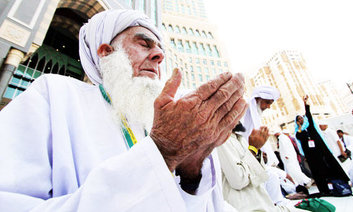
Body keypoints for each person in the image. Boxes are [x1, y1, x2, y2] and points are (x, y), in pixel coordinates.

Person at [0, 9, 247, 211]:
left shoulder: (152, 120)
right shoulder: (54, 95)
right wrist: (163, 150)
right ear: (106, 52)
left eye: (160, 49)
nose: (159, 55)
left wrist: (191, 174)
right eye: (144, 44)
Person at [217, 124, 305, 211]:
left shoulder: (239, 138)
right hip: (246, 208)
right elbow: (238, 180)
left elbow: (259, 175)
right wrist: (253, 149)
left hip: (264, 204)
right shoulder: (221, 141)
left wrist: (257, 153)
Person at [295, 95, 350, 196]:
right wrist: (299, 126)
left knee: (330, 167)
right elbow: (299, 137)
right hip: (312, 156)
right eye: (298, 119)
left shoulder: (310, 127)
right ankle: (325, 189)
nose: (300, 120)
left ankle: (341, 184)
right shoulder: (299, 132)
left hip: (321, 151)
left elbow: (309, 116)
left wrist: (305, 104)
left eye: (301, 118)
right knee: (318, 172)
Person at [240, 85, 280, 167]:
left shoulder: (256, 116)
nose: (268, 107)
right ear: (257, 99)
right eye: (267, 102)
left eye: (270, 104)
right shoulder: (242, 110)